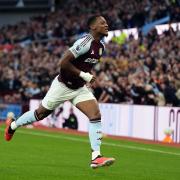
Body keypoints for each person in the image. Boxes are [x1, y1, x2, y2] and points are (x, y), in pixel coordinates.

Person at [4, 15, 115, 169]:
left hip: (78, 89)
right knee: (40, 114)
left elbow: (85, 66)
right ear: (93, 27)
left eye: (106, 23)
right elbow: (63, 62)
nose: (106, 25)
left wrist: (84, 80)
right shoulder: (84, 42)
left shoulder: (101, 47)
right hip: (62, 86)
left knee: (95, 115)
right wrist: (83, 75)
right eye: (102, 23)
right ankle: (13, 125)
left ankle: (96, 157)